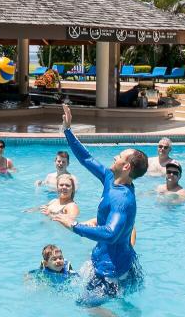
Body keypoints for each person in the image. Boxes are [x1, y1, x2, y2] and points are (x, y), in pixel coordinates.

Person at [51, 104, 147, 307]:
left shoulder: (122, 199)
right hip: (112, 259)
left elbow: (111, 233)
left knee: (85, 305)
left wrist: (74, 225)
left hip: (112, 270)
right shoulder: (110, 178)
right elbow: (86, 158)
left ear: (126, 166)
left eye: (119, 156)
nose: (115, 156)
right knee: (119, 304)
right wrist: (67, 130)